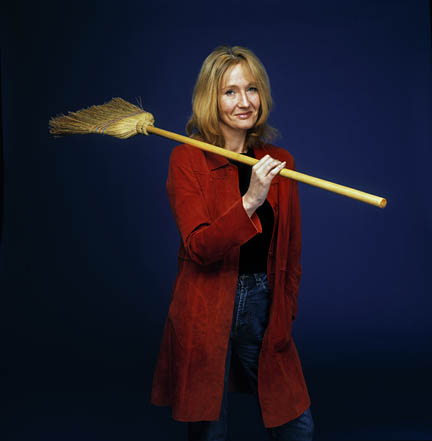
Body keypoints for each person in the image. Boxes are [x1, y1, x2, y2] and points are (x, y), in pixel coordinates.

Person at [151, 45, 314, 441]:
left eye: (252, 89)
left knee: (297, 426)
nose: (245, 102)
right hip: (204, 305)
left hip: (262, 302)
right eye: (230, 91)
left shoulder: (280, 162)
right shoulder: (186, 161)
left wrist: (285, 310)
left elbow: (291, 252)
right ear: (211, 98)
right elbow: (199, 247)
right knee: (210, 428)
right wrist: (250, 200)